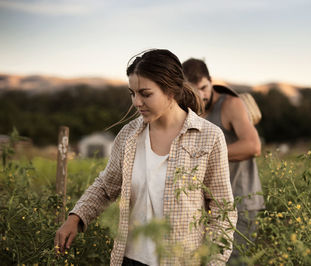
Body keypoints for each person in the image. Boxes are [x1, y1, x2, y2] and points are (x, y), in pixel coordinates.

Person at [54, 49, 237, 266]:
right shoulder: (129, 136)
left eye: (145, 94)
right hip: (129, 260)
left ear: (172, 91)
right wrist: (75, 218)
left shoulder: (209, 136)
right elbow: (106, 187)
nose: (136, 102)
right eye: (132, 93)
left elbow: (222, 211)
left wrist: (213, 262)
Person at [182, 58, 265, 264]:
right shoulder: (189, 111)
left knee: (234, 262)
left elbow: (253, 146)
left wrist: (205, 153)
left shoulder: (230, 104)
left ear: (211, 81)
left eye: (203, 87)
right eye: (194, 90)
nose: (201, 95)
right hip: (208, 207)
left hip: (241, 202)